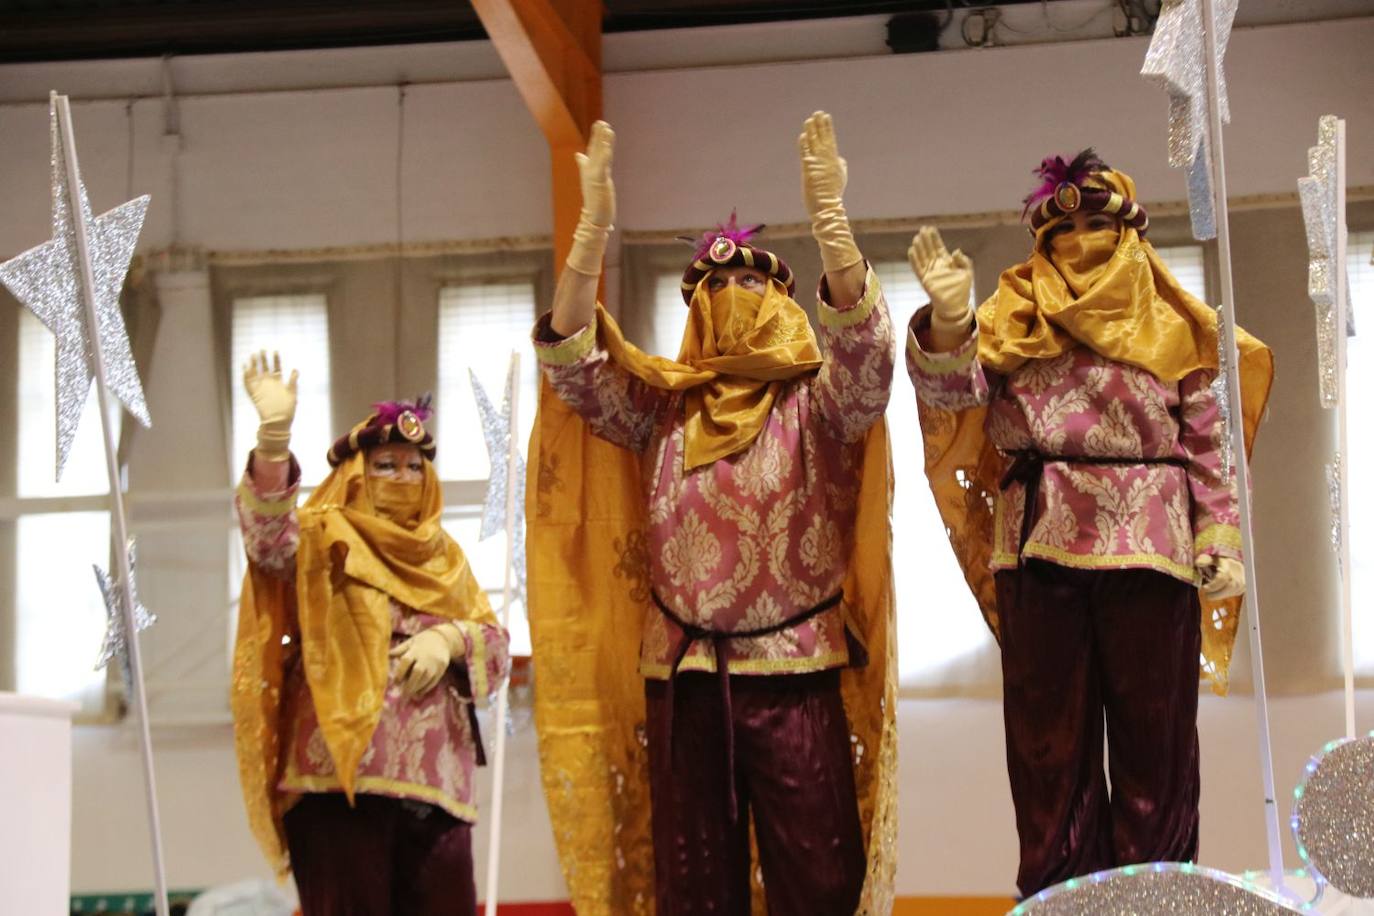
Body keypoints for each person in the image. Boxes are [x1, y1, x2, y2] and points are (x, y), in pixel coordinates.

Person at [527, 113, 897, 914]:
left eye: (751, 282)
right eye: (712, 285)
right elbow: (570, 362)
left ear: (782, 298)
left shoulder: (815, 403)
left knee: (821, 882)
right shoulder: (661, 410)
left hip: (796, 673)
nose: (731, 295)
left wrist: (835, 230)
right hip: (685, 681)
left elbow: (868, 365)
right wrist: (588, 242)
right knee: (693, 890)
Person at [904, 150, 1273, 897]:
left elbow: (1207, 438)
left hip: (1152, 550)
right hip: (1039, 550)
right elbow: (951, 401)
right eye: (1065, 223)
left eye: (1099, 220)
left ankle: (1157, 901)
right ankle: (1059, 902)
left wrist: (1219, 537)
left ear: (1130, 227)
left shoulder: (1176, 322)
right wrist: (948, 323)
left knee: (1156, 749)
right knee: (1048, 759)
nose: (1082, 236)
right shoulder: (1010, 314)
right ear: (1041, 237)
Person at [231, 353, 509, 915]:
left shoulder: (446, 559)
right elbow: (266, 544)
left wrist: (451, 639)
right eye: (386, 464)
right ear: (356, 474)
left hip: (437, 790)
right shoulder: (319, 537)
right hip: (337, 785)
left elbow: (496, 645)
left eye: (413, 467)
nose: (403, 478)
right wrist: (274, 443)